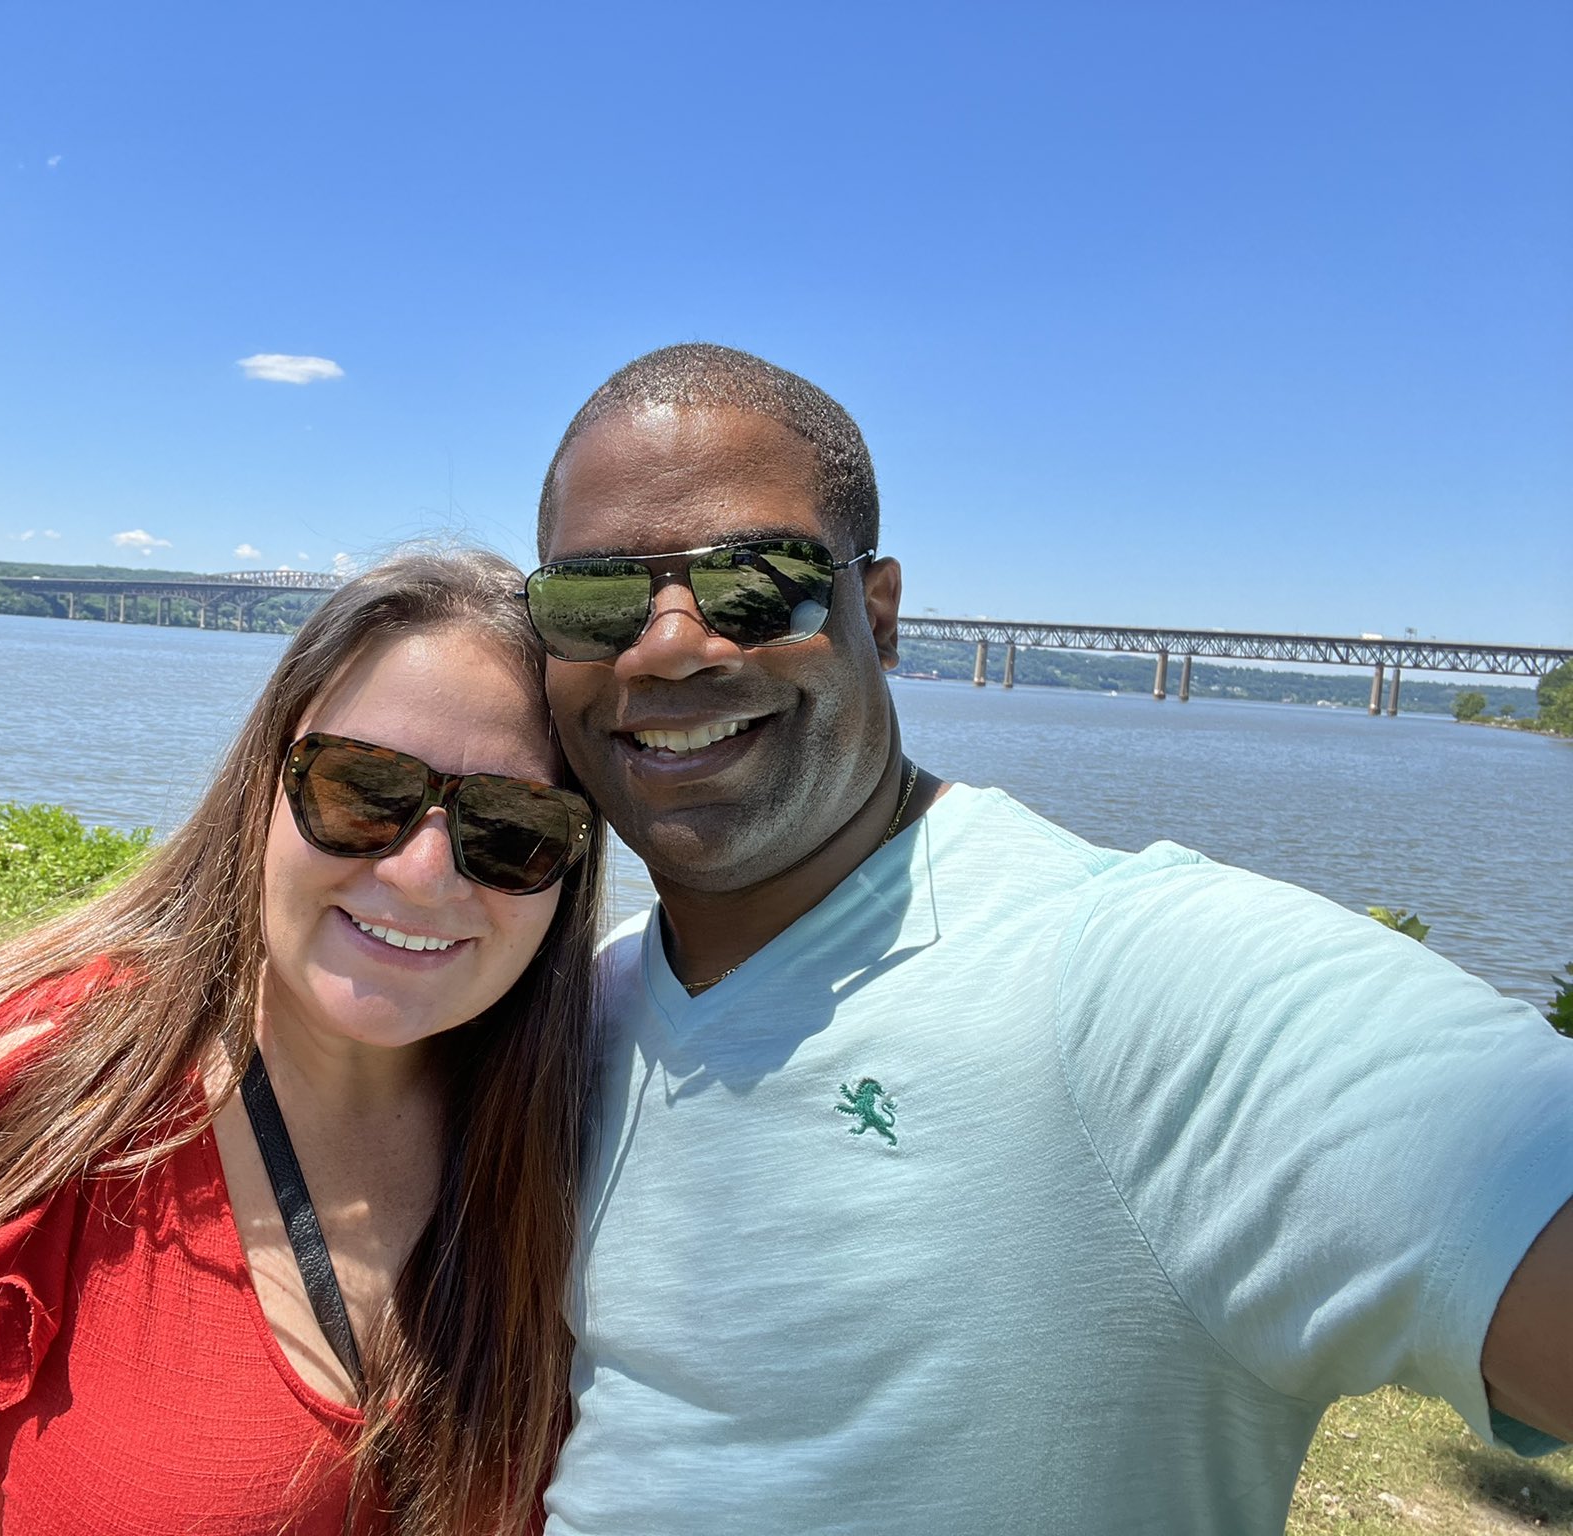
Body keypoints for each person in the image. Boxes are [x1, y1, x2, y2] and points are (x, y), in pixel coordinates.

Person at [520, 344, 1573, 1535]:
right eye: (594, 599)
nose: (666, 646)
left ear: (877, 612)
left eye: (758, 586)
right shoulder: (580, 1006)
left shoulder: (1127, 978)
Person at [0, 548, 604, 1536]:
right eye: (362, 789)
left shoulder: (589, 1127)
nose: (420, 872)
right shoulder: (33, 1099)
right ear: (262, 786)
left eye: (511, 828)